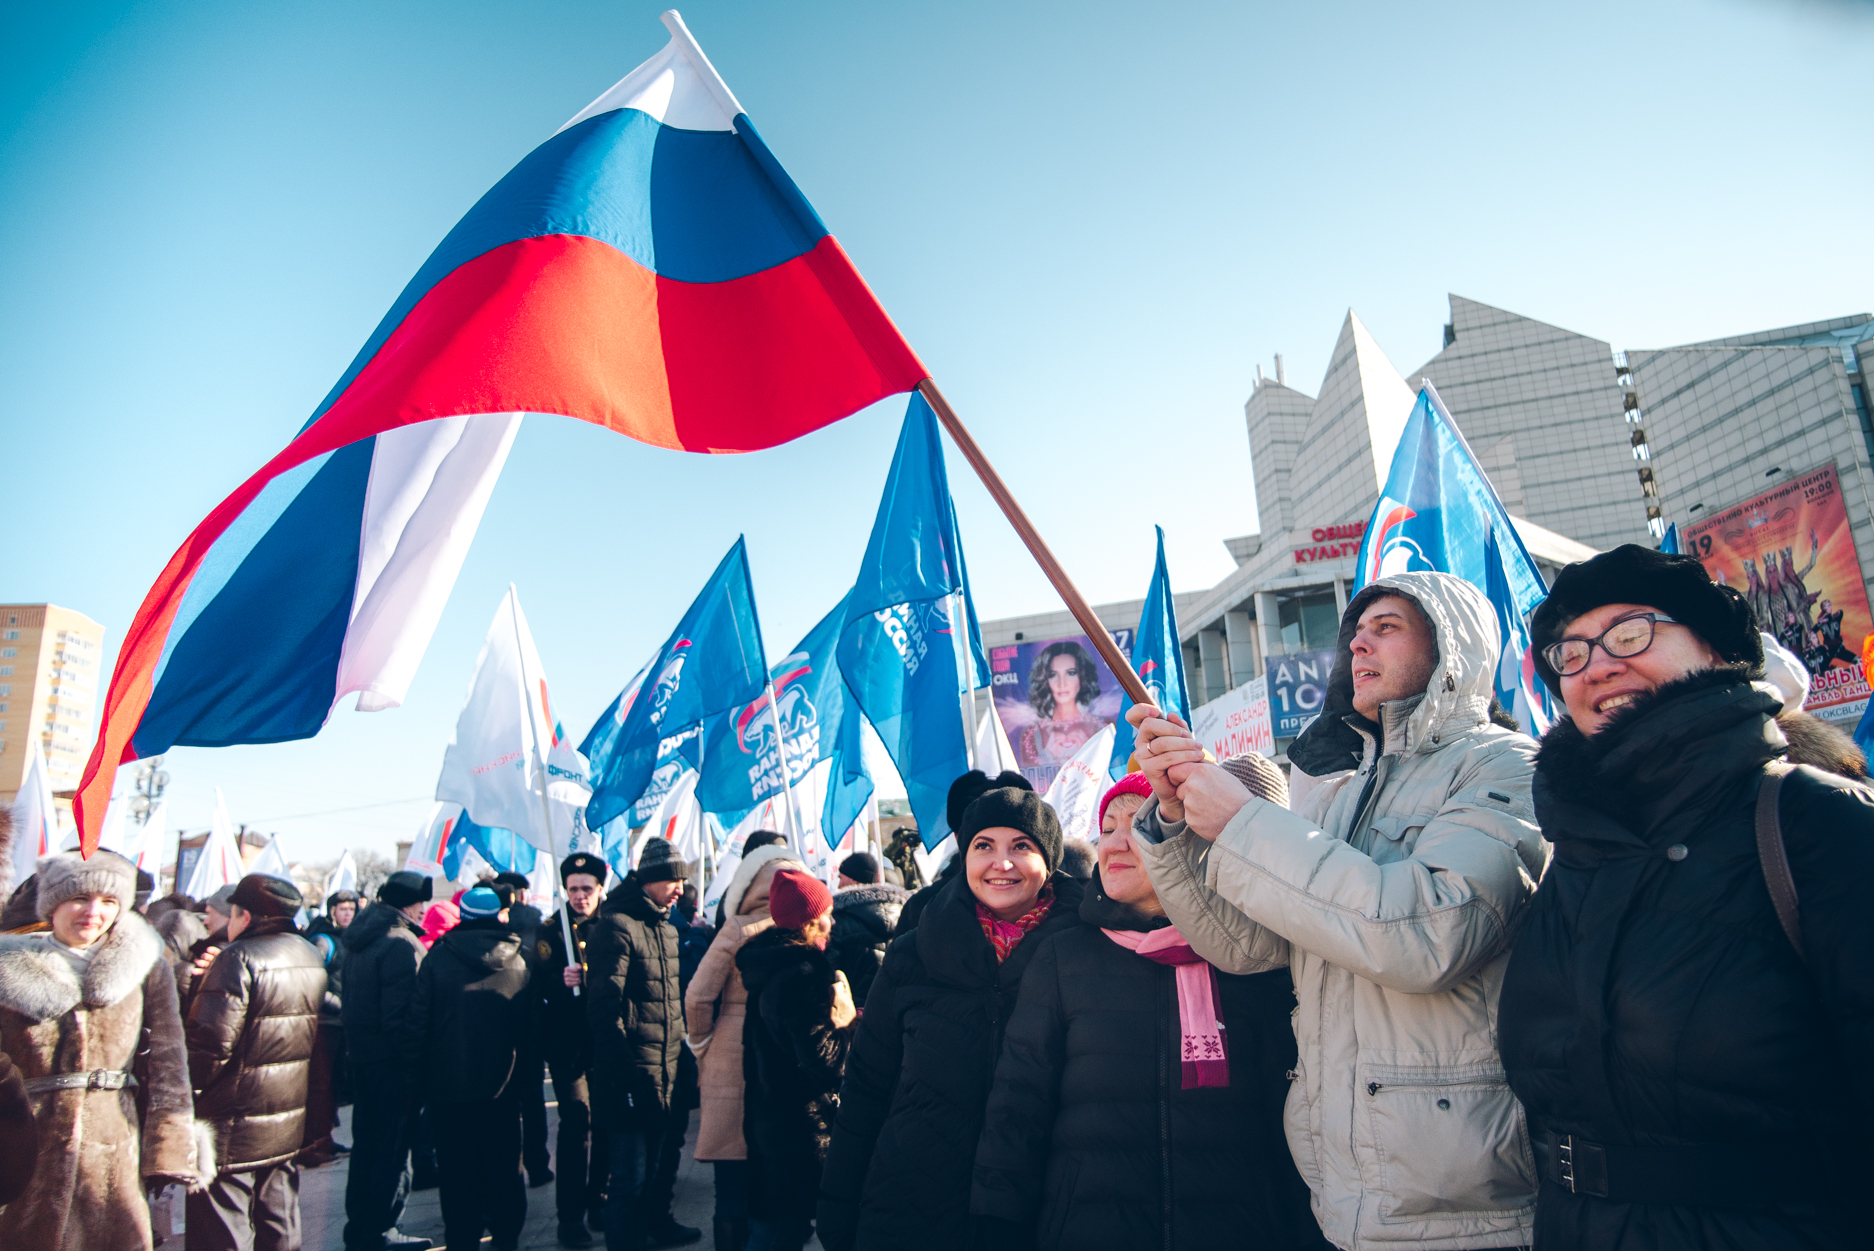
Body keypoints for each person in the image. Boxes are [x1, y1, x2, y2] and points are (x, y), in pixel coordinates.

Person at [1127, 571, 1548, 1251]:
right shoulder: (1347, 792)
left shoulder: (1508, 767)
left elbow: (1427, 932)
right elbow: (1248, 944)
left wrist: (1242, 823)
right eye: (1356, 632)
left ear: (1451, 646)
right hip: (1347, 1197)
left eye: (1387, 626)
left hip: (1469, 1205)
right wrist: (1176, 821)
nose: (1358, 643)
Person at [1498, 544, 1874, 1249]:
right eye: (1569, 653)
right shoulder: (1572, 856)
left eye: (1632, 633)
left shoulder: (1810, 819)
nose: (1598, 664)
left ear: (1714, 648)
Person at [972, 773, 1321, 1250]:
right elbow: (1017, 1111)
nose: (1115, 843)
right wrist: (999, 1226)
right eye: (1107, 827)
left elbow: (1297, 1122)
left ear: (1186, 841)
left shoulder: (1253, 954)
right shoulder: (1062, 959)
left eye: (1139, 824)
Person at [817, 787, 1084, 1251]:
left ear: (1050, 861)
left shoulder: (1089, 954)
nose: (1001, 863)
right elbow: (865, 1090)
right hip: (911, 1212)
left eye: (1021, 846)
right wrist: (837, 1209)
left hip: (1042, 1215)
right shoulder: (912, 953)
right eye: (984, 846)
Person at [0, 850, 198, 1250]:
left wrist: (169, 1151)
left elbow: (168, 1063)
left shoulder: (146, 966)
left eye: (109, 901)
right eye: (79, 898)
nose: (93, 912)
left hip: (113, 1154)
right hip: (24, 1149)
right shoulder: (8, 965)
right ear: (52, 905)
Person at [185, 873, 329, 1251]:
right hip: (285, 1117)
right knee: (278, 1219)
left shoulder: (238, 957)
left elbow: (211, 1046)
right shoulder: (308, 953)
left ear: (244, 916)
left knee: (223, 1230)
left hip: (231, 1122)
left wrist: (186, 1093)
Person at [686, 843, 806, 1251]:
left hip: (729, 1057)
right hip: (780, 1061)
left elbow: (698, 997)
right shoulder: (802, 925)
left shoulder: (736, 927)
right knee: (773, 1179)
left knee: (730, 1185)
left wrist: (702, 1043)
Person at [403, 884, 532, 1251]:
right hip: (502, 1089)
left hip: (448, 1089)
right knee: (505, 1168)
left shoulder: (439, 958)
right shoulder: (519, 960)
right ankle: (506, 1238)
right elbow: (529, 1031)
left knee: (458, 1174)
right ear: (498, 915)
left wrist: (413, 1082)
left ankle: (463, 1240)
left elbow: (417, 1026)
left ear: (463, 916)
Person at [586, 837, 699, 1251]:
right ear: (649, 879)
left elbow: (670, 1006)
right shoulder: (615, 926)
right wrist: (626, 1077)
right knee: (629, 1180)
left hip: (664, 1074)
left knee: (651, 1174)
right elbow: (604, 1011)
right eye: (672, 879)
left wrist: (682, 1062)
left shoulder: (667, 930)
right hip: (630, 1078)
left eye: (681, 879)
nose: (679, 887)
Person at [737, 869, 859, 1251]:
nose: (833, 919)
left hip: (773, 1120)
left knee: (777, 1226)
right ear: (810, 920)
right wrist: (851, 1025)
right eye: (827, 911)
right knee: (784, 1231)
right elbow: (825, 1060)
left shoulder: (771, 962)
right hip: (802, 1129)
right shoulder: (802, 973)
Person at [340, 871, 435, 1251]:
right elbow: (402, 1019)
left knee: (367, 1146)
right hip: (394, 1067)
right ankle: (381, 1229)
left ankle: (361, 1228)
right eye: (420, 903)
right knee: (393, 1150)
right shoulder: (400, 943)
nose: (424, 910)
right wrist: (416, 1069)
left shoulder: (362, 938)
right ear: (406, 904)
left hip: (364, 1061)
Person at [534, 852, 612, 1248]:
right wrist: (558, 984)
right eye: (572, 889)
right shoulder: (551, 930)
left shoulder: (612, 926)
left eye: (586, 889)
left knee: (605, 1124)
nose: (579, 896)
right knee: (575, 1125)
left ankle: (599, 1199)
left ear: (600, 889)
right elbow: (534, 985)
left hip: (604, 1041)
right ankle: (569, 1218)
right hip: (567, 1045)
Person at [491, 871, 553, 1190]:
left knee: (502, 1107)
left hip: (497, 1029)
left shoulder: (488, 926)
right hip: (530, 1023)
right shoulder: (533, 922)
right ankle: (538, 1164)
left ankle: (508, 1169)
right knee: (532, 1102)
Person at [304, 890, 358, 1166]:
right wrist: (337, 1004)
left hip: (342, 1023)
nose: (347, 913)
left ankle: (325, 1137)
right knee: (319, 1086)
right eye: (342, 909)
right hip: (325, 1023)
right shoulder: (323, 940)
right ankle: (312, 1144)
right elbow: (312, 980)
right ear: (332, 911)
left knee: (333, 1086)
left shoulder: (350, 938)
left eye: (351, 908)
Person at [825, 852, 907, 1004]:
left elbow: (829, 972)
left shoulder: (839, 920)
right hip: (895, 1008)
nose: (838, 885)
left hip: (854, 1013)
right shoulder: (904, 913)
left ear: (854, 881)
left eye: (841, 878)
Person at [1017, 640, 1106, 768]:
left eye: (1071, 673)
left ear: (1082, 676)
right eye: (1053, 675)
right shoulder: (1030, 735)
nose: (1062, 683)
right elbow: (1031, 783)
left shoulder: (1104, 726)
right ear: (1044, 680)